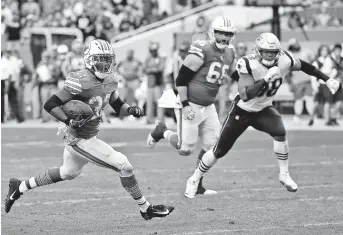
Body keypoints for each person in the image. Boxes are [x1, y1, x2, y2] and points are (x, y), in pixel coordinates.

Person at [4, 39, 174, 220]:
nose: (105, 63)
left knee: (67, 172)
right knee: (124, 165)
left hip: (88, 135)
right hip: (78, 139)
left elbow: (117, 105)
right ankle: (145, 208)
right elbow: (51, 103)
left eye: (108, 59)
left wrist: (130, 110)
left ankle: (19, 186)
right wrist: (68, 120)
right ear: (90, 60)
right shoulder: (80, 80)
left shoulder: (110, 80)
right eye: (100, 59)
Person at [184, 32, 340, 198]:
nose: (269, 55)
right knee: (219, 151)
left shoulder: (285, 59)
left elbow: (306, 66)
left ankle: (284, 174)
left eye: (272, 52)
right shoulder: (247, 63)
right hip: (242, 111)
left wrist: (327, 79)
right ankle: (194, 180)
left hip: (264, 109)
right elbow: (245, 95)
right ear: (258, 50)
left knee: (280, 132)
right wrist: (265, 80)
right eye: (266, 51)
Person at [147, 16, 239, 195]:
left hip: (209, 106)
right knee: (185, 149)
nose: (224, 38)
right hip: (191, 103)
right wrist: (186, 105)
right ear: (213, 33)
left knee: (213, 146)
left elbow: (235, 75)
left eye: (228, 34)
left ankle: (197, 183)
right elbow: (181, 78)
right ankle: (162, 131)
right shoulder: (202, 49)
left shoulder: (230, 53)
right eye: (221, 33)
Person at [308, 45, 337, 126]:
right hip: (319, 84)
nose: (325, 52)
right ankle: (311, 118)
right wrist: (314, 86)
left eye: (326, 50)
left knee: (328, 102)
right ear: (320, 51)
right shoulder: (316, 62)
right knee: (316, 103)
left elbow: (334, 71)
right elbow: (313, 75)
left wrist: (330, 77)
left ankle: (327, 120)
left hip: (327, 84)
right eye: (323, 50)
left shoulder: (330, 60)